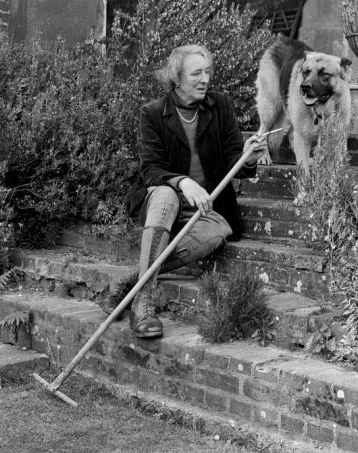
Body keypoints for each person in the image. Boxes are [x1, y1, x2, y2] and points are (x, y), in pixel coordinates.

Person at [100, 44, 266, 339]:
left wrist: (248, 158)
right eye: (196, 73)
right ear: (177, 78)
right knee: (164, 194)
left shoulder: (220, 105)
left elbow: (232, 161)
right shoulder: (152, 113)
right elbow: (150, 169)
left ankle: (133, 280)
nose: (205, 79)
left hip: (208, 206)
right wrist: (182, 182)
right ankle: (144, 306)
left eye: (207, 72)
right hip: (164, 203)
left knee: (218, 231)